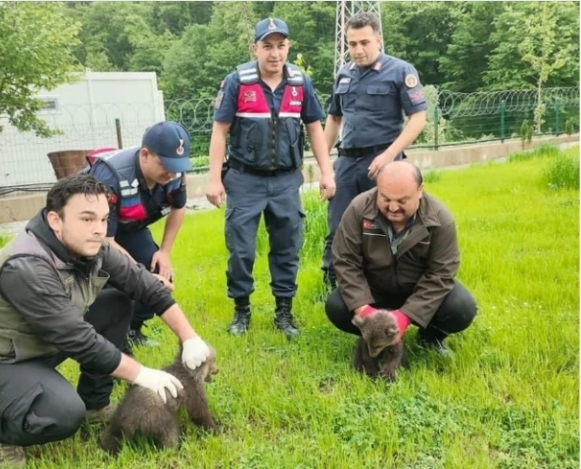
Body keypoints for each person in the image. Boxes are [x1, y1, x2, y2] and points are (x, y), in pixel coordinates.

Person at [0, 174, 211, 468]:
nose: (99, 230)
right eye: (87, 219)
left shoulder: (92, 247)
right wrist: (143, 374)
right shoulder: (26, 266)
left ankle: (95, 405)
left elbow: (144, 285)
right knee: (61, 412)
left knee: (115, 303)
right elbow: (79, 340)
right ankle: (0, 431)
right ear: (55, 221)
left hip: (32, 343)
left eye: (103, 219)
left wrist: (189, 337)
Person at [205, 17, 336, 339]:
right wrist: (213, 179)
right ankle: (241, 311)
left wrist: (326, 171)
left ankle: (284, 312)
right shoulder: (237, 81)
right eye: (267, 46)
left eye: (280, 46)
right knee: (241, 251)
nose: (274, 53)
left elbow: (315, 128)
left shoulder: (300, 83)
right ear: (255, 48)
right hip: (244, 180)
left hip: (285, 181)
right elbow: (219, 132)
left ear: (288, 47)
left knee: (287, 248)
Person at [321, 11, 428, 288]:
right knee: (339, 225)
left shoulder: (401, 71)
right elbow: (334, 119)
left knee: (386, 224)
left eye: (364, 42)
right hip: (347, 163)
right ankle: (334, 283)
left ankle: (390, 283)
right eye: (352, 44)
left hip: (384, 161)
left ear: (378, 39)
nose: (358, 50)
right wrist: (323, 164)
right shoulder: (343, 74)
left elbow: (418, 118)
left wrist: (390, 155)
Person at [325, 161, 477, 354]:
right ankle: (376, 338)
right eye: (386, 199)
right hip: (374, 290)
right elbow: (346, 261)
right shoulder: (358, 209)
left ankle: (430, 337)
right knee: (337, 306)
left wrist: (405, 317)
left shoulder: (440, 218)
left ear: (420, 190)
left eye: (402, 201)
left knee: (461, 308)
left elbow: (441, 274)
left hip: (417, 289)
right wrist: (365, 311)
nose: (393, 207)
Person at [87, 121, 192, 347]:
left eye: (177, 164)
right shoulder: (109, 178)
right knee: (117, 284)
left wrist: (164, 252)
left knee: (158, 272)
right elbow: (104, 241)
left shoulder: (174, 175)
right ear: (145, 155)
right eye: (166, 164)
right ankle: (111, 339)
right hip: (93, 237)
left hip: (128, 227)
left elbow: (179, 207)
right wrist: (138, 275)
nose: (173, 172)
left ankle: (133, 330)